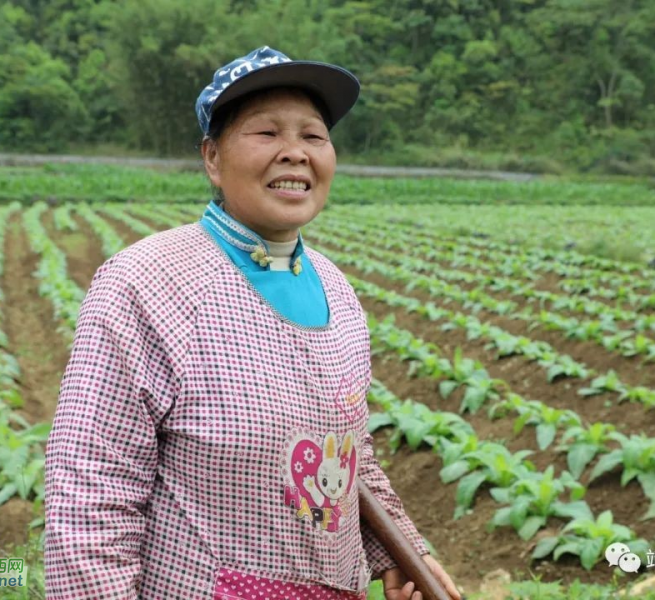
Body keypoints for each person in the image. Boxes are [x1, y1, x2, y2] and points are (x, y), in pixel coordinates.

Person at [43, 46, 462, 600]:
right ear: (212, 158)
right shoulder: (147, 282)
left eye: (313, 136)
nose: (295, 153)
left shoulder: (335, 288)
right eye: (266, 133)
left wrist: (406, 552)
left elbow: (350, 453)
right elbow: (92, 493)